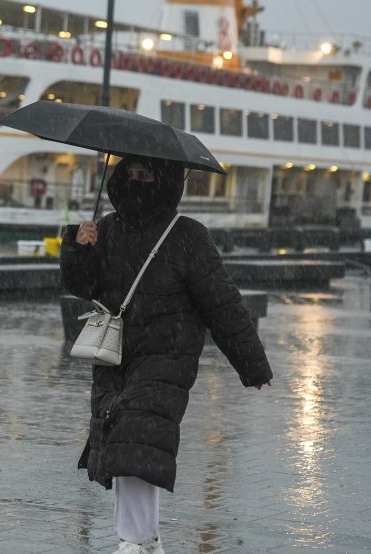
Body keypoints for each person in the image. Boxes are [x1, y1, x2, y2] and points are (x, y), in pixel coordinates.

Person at [60, 157, 273, 554]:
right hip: (115, 357)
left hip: (166, 357)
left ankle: (134, 542)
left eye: (148, 175)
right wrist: (78, 246)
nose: (139, 182)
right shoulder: (105, 229)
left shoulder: (187, 235)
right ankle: (147, 540)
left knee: (135, 438)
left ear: (168, 181)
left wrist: (252, 364)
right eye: (133, 174)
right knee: (129, 449)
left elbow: (222, 304)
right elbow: (83, 285)